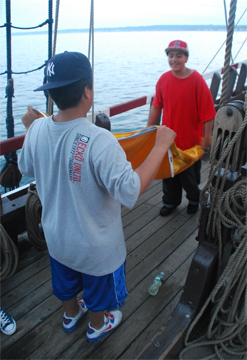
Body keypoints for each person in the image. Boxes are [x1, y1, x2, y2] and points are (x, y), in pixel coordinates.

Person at [18, 51, 176, 342]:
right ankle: (97, 324)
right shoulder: (100, 140)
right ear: (87, 92)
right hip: (96, 248)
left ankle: (70, 315)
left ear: (50, 95)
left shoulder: (37, 128)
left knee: (65, 284)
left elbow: (26, 166)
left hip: (56, 239)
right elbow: (129, 190)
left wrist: (30, 129)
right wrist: (160, 146)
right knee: (99, 292)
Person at [147, 40, 216, 216]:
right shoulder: (163, 79)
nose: (174, 59)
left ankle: (194, 200)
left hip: (191, 142)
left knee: (190, 178)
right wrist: (148, 128)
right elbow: (156, 105)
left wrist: (206, 138)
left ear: (186, 57)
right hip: (168, 141)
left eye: (179, 55)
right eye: (171, 55)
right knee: (169, 176)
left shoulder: (197, 80)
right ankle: (170, 202)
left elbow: (208, 113)